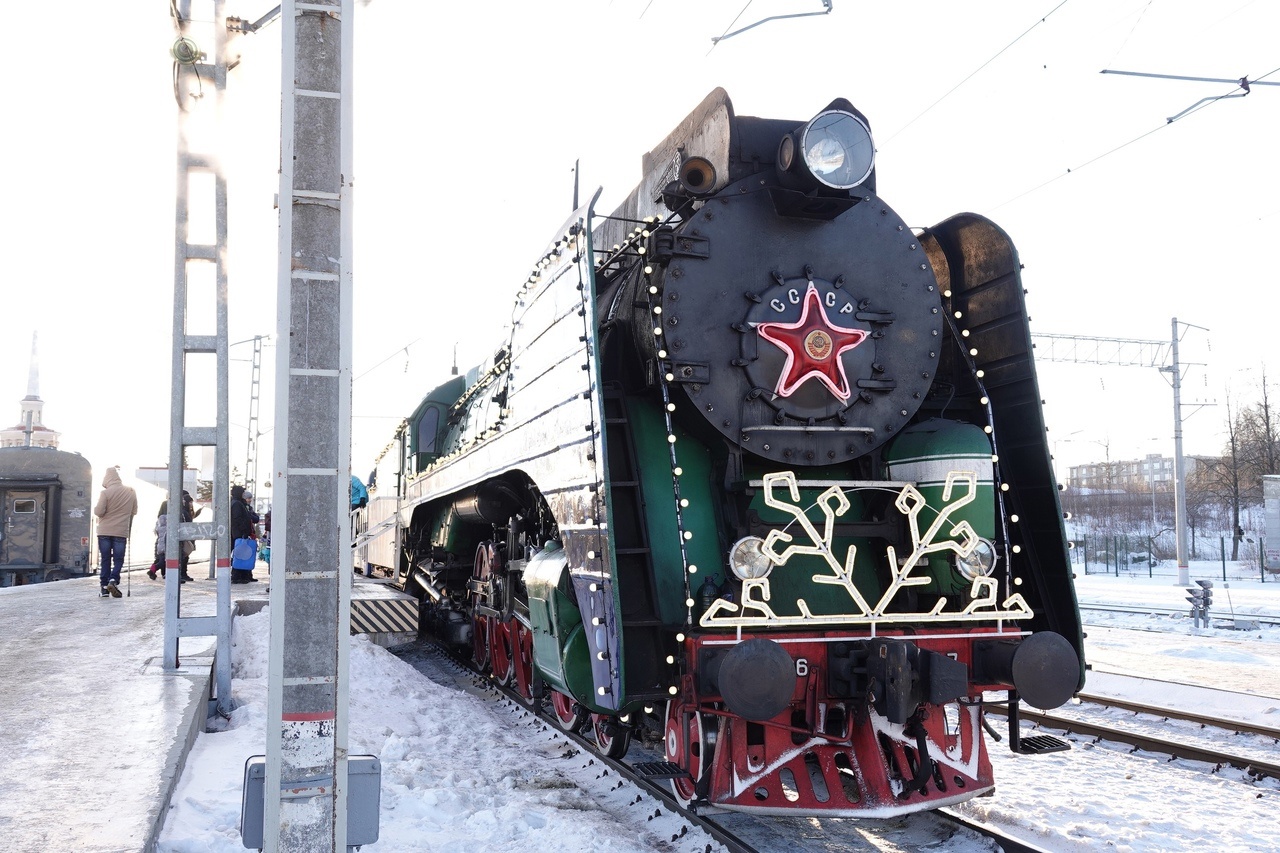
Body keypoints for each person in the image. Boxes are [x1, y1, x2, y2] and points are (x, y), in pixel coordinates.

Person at [94, 466, 138, 599]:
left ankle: (104, 590)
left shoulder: (105, 493)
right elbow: (134, 511)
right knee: (118, 559)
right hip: (121, 532)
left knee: (105, 559)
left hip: (104, 531)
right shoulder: (131, 491)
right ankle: (113, 580)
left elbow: (99, 512)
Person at [148, 491, 200, 582]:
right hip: (171, 541)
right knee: (174, 557)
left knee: (162, 559)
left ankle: (160, 572)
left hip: (161, 544)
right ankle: (163, 572)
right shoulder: (173, 518)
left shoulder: (160, 520)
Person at [230, 484, 258, 583]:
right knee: (240, 555)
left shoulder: (239, 503)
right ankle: (237, 576)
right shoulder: (237, 504)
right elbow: (237, 519)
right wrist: (243, 530)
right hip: (239, 534)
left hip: (240, 533)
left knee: (243, 554)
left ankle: (244, 575)